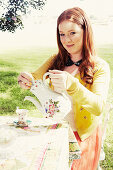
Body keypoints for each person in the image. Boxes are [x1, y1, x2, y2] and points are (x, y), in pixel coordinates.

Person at [18, 7, 110, 170]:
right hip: (55, 131)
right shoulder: (56, 60)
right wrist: (26, 80)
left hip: (82, 138)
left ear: (85, 31)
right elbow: (34, 77)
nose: (67, 39)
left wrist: (72, 85)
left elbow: (98, 107)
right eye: (62, 34)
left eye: (72, 32)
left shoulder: (99, 66)